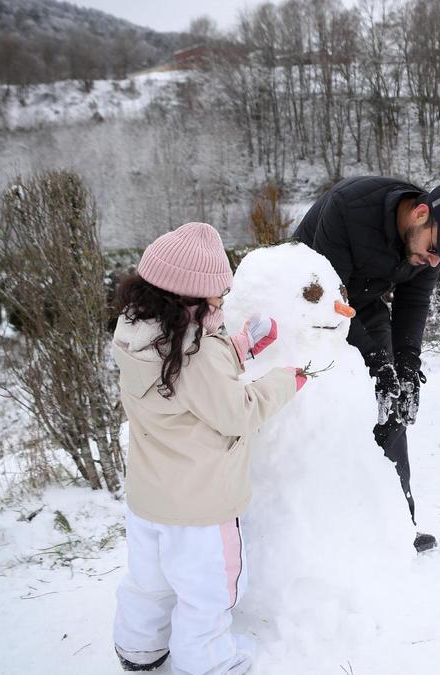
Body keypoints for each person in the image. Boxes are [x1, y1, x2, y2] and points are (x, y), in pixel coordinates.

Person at [111, 222, 305, 673]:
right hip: (201, 508)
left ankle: (139, 650)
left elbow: (185, 380)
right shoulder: (195, 352)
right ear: (187, 298)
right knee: (208, 594)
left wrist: (240, 345)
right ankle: (209, 664)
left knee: (149, 584)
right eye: (216, 296)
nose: (222, 303)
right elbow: (235, 410)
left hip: (148, 500)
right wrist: (284, 380)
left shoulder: (136, 330)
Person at [294, 176, 440, 552]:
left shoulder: (429, 245)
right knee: (325, 405)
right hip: (308, 303)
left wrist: (406, 368)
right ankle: (311, 529)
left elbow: (414, 303)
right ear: (420, 212)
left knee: (390, 404)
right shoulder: (349, 209)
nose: (433, 261)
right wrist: (377, 363)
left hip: (362, 303)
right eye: (434, 249)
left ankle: (397, 525)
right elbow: (329, 301)